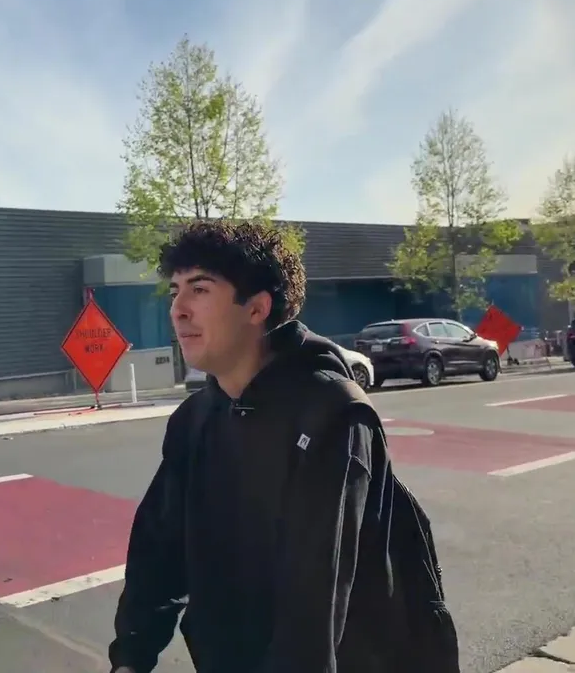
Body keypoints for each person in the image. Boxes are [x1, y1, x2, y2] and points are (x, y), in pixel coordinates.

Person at [107, 220, 458, 673]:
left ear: (257, 308)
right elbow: (159, 550)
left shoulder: (332, 413)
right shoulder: (194, 421)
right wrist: (131, 657)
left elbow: (314, 607)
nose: (178, 309)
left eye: (199, 289)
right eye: (175, 291)